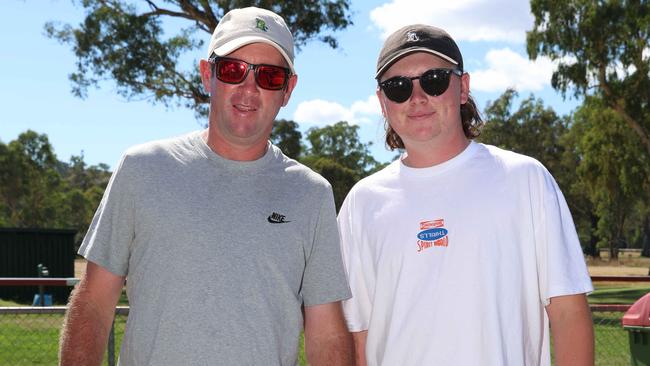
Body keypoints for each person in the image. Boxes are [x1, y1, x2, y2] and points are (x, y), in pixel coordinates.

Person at [59, 7, 353, 366]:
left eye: (270, 77)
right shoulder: (142, 169)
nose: (249, 89)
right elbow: (93, 304)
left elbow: (325, 331)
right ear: (206, 74)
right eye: (233, 70)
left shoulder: (312, 194)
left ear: (288, 90)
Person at [338, 24, 594, 366]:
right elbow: (358, 334)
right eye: (397, 87)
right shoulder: (362, 203)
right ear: (382, 103)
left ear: (463, 88)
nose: (417, 98)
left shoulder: (526, 180)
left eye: (434, 80)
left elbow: (567, 313)